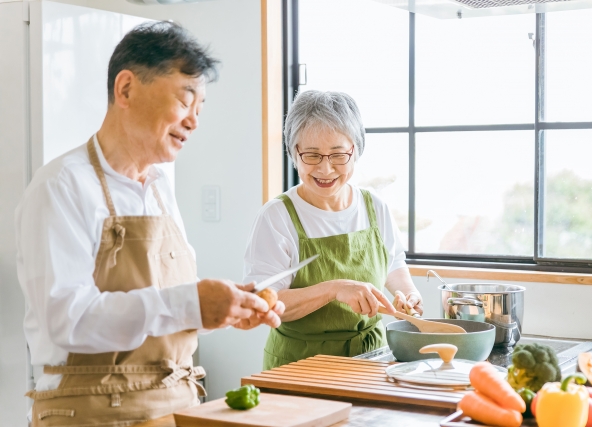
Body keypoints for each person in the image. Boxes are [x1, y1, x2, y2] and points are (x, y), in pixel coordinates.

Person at [15, 22, 284, 425]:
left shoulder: (160, 189)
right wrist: (192, 303)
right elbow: (67, 320)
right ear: (126, 89)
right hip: (89, 412)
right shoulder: (61, 185)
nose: (194, 120)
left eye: (201, 107)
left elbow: (166, 308)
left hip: (176, 408)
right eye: (185, 99)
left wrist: (220, 309)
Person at [243, 90, 424, 370]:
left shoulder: (374, 206)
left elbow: (393, 263)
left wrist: (408, 294)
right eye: (312, 155)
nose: (326, 169)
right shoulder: (276, 216)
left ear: (356, 151)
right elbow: (266, 301)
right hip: (298, 364)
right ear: (294, 153)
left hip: (371, 359)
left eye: (339, 155)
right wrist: (333, 289)